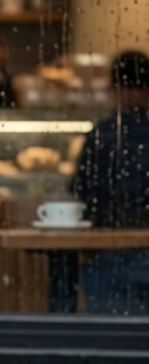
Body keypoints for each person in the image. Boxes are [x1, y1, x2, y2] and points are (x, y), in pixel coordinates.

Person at [74, 51, 149, 314]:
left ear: (116, 89)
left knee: (111, 341)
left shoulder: (102, 135)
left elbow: (81, 192)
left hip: (108, 254)